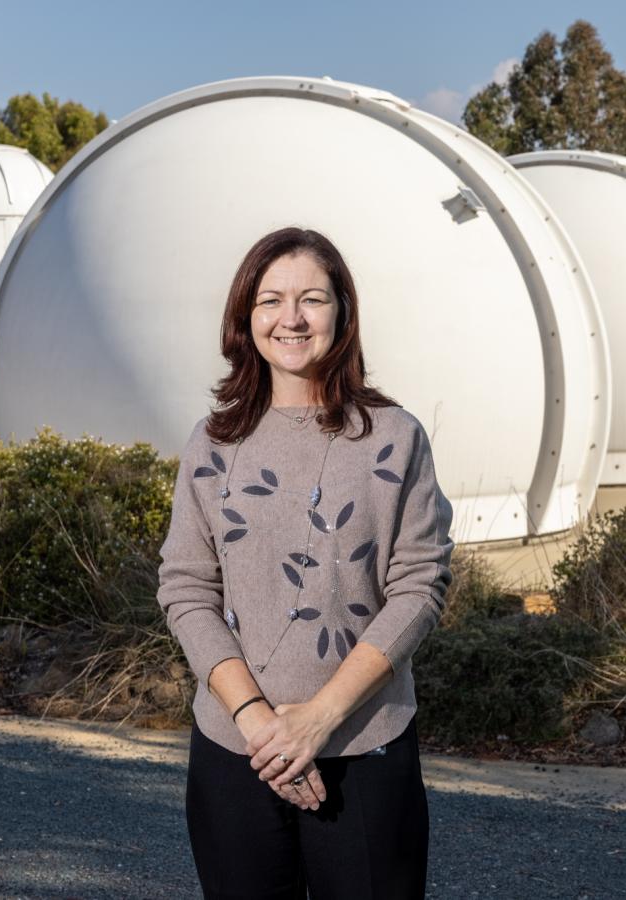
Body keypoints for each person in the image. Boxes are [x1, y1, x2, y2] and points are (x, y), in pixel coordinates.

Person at [157, 227, 454, 899]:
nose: (291, 318)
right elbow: (186, 589)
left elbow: (419, 586)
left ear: (343, 313)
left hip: (363, 745)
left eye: (312, 299)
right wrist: (261, 724)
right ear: (245, 318)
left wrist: (317, 718)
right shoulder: (212, 444)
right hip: (237, 748)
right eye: (271, 300)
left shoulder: (396, 438)